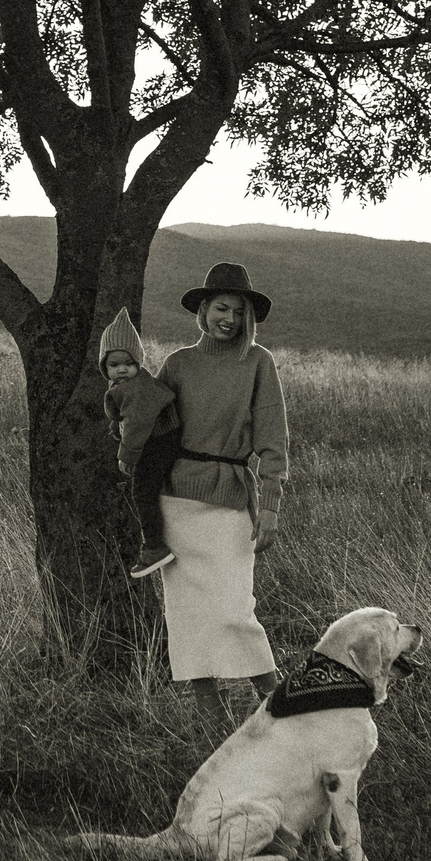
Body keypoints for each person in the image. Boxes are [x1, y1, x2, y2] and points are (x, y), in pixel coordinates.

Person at [151, 262, 290, 736]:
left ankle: (282, 708)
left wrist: (269, 507)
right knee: (187, 615)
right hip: (177, 502)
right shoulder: (177, 364)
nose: (228, 319)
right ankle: (212, 725)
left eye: (238, 311)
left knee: (235, 610)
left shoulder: (258, 362)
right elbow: (151, 430)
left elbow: (274, 441)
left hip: (232, 498)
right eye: (220, 308)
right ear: (204, 310)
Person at [98, 308, 183, 579]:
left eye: (128, 363)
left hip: (159, 441)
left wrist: (127, 455)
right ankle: (155, 542)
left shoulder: (137, 389)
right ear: (105, 367)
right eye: (114, 364)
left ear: (139, 362)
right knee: (147, 491)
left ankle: (155, 547)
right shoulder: (127, 386)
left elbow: (137, 422)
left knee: (143, 493)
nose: (122, 369)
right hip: (157, 439)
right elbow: (122, 416)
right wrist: (116, 428)